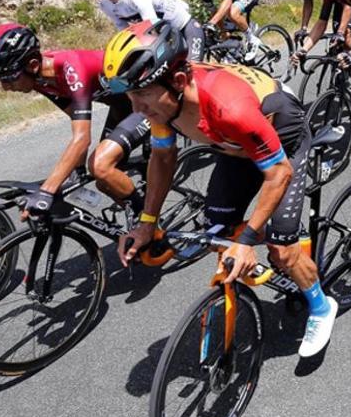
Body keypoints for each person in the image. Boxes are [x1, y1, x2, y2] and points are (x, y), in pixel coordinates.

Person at [109, 22, 337, 358]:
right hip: (236, 148)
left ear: (180, 82)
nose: (135, 108)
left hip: (281, 145)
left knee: (282, 249)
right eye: (130, 95)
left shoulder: (227, 106)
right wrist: (147, 222)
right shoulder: (163, 100)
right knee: (216, 228)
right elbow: (161, 157)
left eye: (141, 94)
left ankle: (319, 305)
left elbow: (278, 172)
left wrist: (247, 241)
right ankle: (262, 241)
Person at [0, 23, 151, 219]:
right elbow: (76, 119)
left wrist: (46, 191)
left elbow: (82, 138)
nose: (5, 87)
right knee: (105, 181)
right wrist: (77, 168)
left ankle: (149, 227)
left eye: (9, 78)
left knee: (100, 166)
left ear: (32, 65)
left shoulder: (71, 68)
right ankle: (138, 214)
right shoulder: (41, 81)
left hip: (146, 103)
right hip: (123, 107)